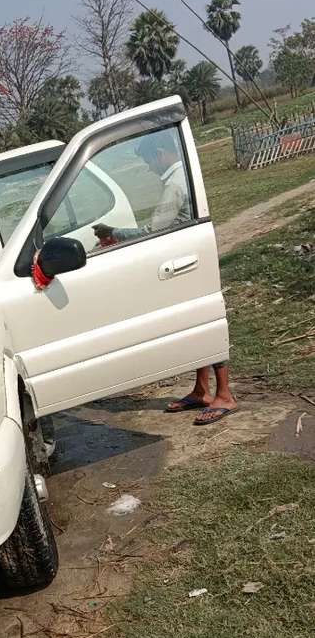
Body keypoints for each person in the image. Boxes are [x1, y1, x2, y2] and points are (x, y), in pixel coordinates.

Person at [92, 131, 238, 427]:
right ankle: (202, 390)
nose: (149, 167)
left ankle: (224, 395)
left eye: (149, 161)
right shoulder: (180, 180)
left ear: (160, 153)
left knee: (203, 327)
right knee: (195, 327)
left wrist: (115, 233)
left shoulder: (174, 185)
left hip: (185, 264)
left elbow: (152, 231)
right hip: (188, 260)